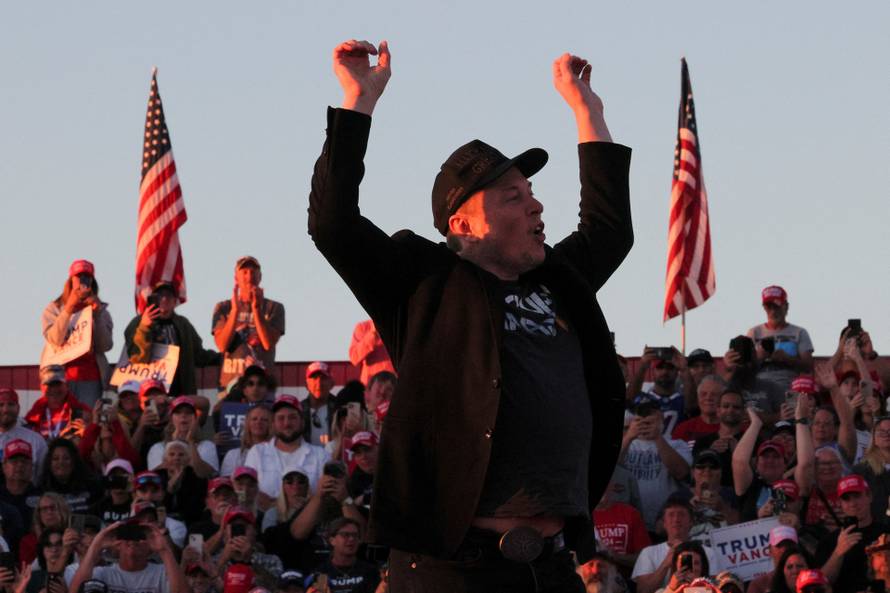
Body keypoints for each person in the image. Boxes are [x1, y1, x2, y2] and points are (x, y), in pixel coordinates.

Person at [309, 40, 631, 590]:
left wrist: (587, 111)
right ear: (463, 226)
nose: (535, 205)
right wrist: (358, 101)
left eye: (531, 191)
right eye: (512, 197)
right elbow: (333, 224)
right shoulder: (423, 285)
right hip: (452, 571)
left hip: (550, 568)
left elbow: (608, 230)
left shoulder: (559, 280)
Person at [123, 281, 220, 398]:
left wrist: (222, 357)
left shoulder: (183, 324)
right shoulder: (138, 322)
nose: (164, 299)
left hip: (179, 392)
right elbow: (136, 358)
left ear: (175, 301)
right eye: (160, 296)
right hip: (148, 391)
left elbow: (197, 354)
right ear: (153, 299)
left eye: (168, 296)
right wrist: (144, 327)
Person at [40, 259, 114, 408]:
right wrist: (68, 308)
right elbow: (54, 339)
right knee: (62, 417)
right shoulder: (54, 309)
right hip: (60, 378)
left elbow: (105, 345)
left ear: (92, 281)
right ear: (71, 280)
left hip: (91, 379)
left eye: (87, 277)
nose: (83, 280)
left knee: (86, 418)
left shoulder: (100, 309)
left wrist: (97, 315)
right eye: (79, 276)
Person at [732, 398, 814, 521]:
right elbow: (739, 462)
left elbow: (806, 464)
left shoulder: (794, 484)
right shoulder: (751, 486)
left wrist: (800, 419)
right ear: (756, 464)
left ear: (785, 464)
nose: (770, 460)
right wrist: (755, 424)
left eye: (776, 456)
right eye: (765, 456)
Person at [212, 256, 285, 388]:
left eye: (253, 272)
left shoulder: (274, 307)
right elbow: (222, 345)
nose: (249, 276)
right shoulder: (223, 307)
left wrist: (256, 309)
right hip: (230, 385)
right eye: (244, 272)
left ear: (260, 276)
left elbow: (268, 343)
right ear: (236, 278)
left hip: (262, 384)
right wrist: (235, 311)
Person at [619, 400, 691, 530]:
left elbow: (681, 473)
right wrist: (629, 436)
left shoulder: (677, 444)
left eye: (650, 419)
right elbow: (610, 472)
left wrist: (657, 437)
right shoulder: (625, 443)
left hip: (665, 523)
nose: (645, 422)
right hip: (630, 522)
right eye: (640, 418)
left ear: (661, 419)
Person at [246, 395, 329, 505]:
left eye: (292, 417)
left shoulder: (321, 455)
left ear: (302, 422)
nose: (287, 423)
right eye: (281, 418)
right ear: (273, 424)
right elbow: (247, 489)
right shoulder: (257, 452)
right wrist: (278, 507)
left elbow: (326, 494)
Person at [815, 475, 889, 593]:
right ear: (840, 503)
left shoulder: (886, 533)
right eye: (846, 499)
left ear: (869, 496)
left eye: (857, 496)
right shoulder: (828, 541)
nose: (853, 503)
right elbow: (819, 585)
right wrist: (838, 552)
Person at [69, 520, 188, 593]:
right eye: (127, 535)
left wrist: (164, 550)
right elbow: (75, 591)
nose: (132, 541)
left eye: (140, 535)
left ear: (151, 548)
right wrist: (96, 546)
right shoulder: (102, 573)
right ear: (117, 544)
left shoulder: (164, 572)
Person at [631, 499, 717, 593]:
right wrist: (666, 563)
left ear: (691, 522)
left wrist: (696, 582)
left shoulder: (708, 552)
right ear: (664, 523)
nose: (676, 520)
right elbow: (642, 591)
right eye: (671, 515)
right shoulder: (648, 553)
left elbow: (716, 589)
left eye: (681, 514)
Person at [746, 285, 814, 402]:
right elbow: (744, 367)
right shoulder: (754, 332)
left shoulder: (799, 332)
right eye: (769, 307)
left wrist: (787, 359)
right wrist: (759, 357)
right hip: (759, 389)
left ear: (786, 307)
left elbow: (808, 366)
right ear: (764, 308)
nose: (773, 311)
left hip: (789, 387)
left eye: (777, 306)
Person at [592, 477, 650, 577]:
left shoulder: (630, 513)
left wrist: (616, 557)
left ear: (612, 486)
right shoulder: (584, 518)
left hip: (625, 579)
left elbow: (646, 558)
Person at [147, 396, 218, 477]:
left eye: (188, 412)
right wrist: (174, 444)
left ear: (195, 419)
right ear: (171, 419)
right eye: (178, 412)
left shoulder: (207, 446)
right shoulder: (158, 448)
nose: (183, 415)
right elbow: (156, 475)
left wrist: (191, 442)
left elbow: (205, 474)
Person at [692, 390, 746, 488]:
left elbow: (757, 474)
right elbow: (694, 475)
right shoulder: (702, 442)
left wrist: (738, 454)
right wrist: (711, 453)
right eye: (726, 406)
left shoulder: (753, 440)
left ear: (744, 412)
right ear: (718, 411)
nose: (730, 410)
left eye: (736, 407)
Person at [214, 507, 283, 583]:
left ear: (255, 531)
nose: (239, 532)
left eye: (243, 527)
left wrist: (250, 560)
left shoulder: (272, 561)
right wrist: (222, 561)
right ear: (224, 533)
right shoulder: (213, 561)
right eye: (234, 527)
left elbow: (276, 586)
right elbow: (209, 586)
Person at [627, 347, 686, 435]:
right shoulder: (642, 398)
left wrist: (684, 368)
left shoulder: (683, 400)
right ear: (653, 371)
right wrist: (643, 366)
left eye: (670, 368)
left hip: (676, 443)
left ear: (677, 372)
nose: (665, 372)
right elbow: (629, 398)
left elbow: (692, 405)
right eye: (660, 368)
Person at [311, 517, 379, 593]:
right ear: (332, 540)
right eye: (345, 535)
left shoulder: (370, 572)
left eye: (355, 535)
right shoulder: (321, 573)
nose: (351, 539)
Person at [25, 365, 91, 441]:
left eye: (58, 383)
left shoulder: (82, 412)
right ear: (41, 387)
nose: (54, 389)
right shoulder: (32, 416)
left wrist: (87, 434)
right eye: (49, 384)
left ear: (67, 385)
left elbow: (93, 443)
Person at [0, 388, 49, 479]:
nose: (5, 410)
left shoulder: (36, 440)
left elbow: (44, 477)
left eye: (10, 404)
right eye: (1, 405)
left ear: (18, 408)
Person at [853, 415, 890, 520]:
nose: (887, 435)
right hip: (877, 525)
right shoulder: (862, 470)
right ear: (874, 438)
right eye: (881, 432)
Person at [0, 438, 42, 527]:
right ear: (4, 466)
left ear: (32, 467)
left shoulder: (42, 498)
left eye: (24, 461)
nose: (20, 465)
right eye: (14, 461)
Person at [221, 405, 273, 477]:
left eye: (264, 420)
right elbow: (226, 481)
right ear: (247, 423)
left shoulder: (278, 454)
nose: (258, 422)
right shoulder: (233, 455)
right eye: (254, 419)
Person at [20, 492, 70, 565]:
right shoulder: (28, 541)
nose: (49, 512)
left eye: (53, 508)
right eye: (44, 509)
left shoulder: (75, 536)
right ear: (39, 514)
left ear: (63, 510)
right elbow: (27, 569)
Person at [747, 527, 801, 593]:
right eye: (779, 545)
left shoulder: (811, 577)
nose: (784, 549)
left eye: (789, 545)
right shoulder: (759, 584)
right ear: (770, 550)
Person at [672, 376, 726, 443]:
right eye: (703, 394)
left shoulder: (733, 429)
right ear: (698, 397)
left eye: (714, 394)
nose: (708, 398)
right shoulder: (683, 429)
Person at [24, 527, 75, 593]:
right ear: (42, 550)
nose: (54, 550)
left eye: (59, 544)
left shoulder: (75, 575)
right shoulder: (32, 579)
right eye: (48, 545)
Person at [348, 320, 395, 387]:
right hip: (371, 386)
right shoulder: (363, 327)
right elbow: (354, 358)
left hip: (394, 385)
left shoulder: (400, 328)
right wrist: (373, 334)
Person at [91, 458, 135, 526]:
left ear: (131, 477)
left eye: (122, 475)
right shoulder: (99, 507)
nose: (118, 479)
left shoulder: (137, 503)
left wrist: (134, 490)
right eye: (114, 476)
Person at [303, 363, 337, 447]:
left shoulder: (341, 410)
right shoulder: (298, 411)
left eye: (323, 378)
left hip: (334, 455)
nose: (319, 383)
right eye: (314, 378)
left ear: (332, 384)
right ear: (306, 384)